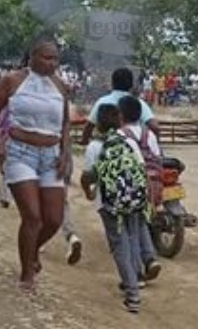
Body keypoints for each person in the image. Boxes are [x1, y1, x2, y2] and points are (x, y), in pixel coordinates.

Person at [0, 34, 70, 292]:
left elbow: (65, 122)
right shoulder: (12, 81)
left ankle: (32, 251)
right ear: (31, 56)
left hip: (51, 155)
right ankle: (26, 272)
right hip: (21, 153)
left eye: (55, 58)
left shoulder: (59, 85)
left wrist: (66, 152)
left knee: (54, 219)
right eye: (46, 57)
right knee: (32, 217)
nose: (52, 63)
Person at [81, 104, 147, 313]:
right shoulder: (129, 142)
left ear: (99, 124)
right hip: (134, 201)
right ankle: (135, 277)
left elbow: (88, 177)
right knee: (133, 238)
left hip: (108, 203)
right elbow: (141, 169)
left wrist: (88, 192)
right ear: (120, 121)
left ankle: (132, 293)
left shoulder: (94, 147)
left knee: (119, 246)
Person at [115, 95, 163, 284]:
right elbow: (158, 157)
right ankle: (150, 258)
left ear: (121, 115)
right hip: (153, 185)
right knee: (140, 222)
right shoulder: (149, 133)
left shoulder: (121, 135)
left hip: (131, 187)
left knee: (129, 229)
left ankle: (135, 273)